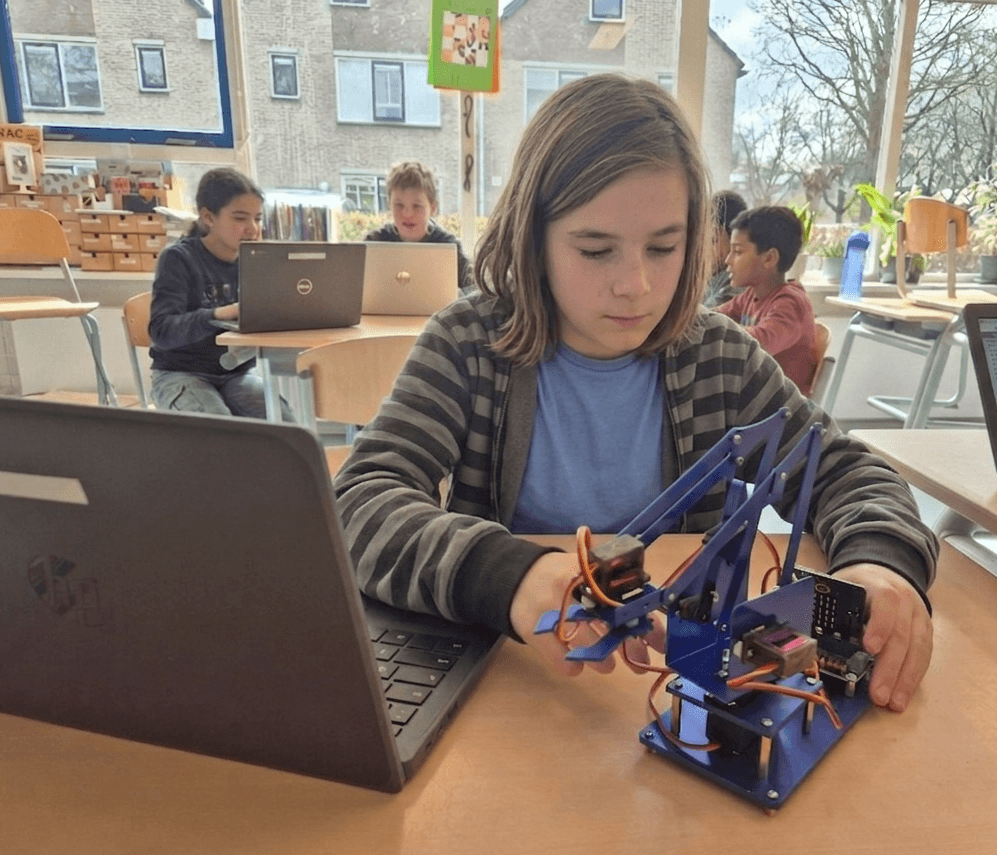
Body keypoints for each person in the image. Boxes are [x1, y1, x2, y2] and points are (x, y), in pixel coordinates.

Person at [334, 74, 936, 714]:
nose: (637, 285)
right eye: (596, 250)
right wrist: (510, 575)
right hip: (515, 689)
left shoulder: (720, 359)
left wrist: (882, 566)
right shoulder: (469, 344)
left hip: (681, 701)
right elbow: (362, 499)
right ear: (531, 237)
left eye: (664, 247)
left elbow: (846, 470)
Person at [148, 167, 294, 420]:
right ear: (208, 217)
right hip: (180, 374)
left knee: (287, 427)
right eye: (240, 218)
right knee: (221, 433)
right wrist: (219, 314)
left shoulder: (257, 260)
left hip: (237, 373)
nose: (252, 228)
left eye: (257, 219)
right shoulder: (178, 259)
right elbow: (161, 331)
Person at [715, 205, 817, 393]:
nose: (728, 260)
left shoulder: (790, 303)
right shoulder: (750, 296)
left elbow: (760, 343)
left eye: (737, 252)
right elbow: (713, 318)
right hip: (755, 400)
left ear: (769, 258)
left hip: (779, 411)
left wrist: (714, 333)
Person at [363, 160, 474, 290]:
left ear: (432, 208)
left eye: (417, 206)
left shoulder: (449, 246)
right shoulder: (373, 243)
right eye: (399, 205)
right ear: (390, 205)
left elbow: (471, 290)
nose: (408, 213)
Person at [701, 189, 746, 308]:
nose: (703, 250)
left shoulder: (738, 283)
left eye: (712, 240)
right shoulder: (710, 277)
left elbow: (706, 320)